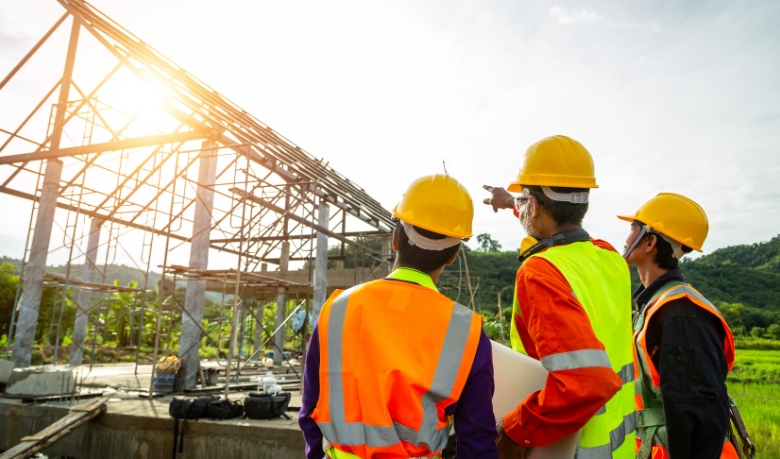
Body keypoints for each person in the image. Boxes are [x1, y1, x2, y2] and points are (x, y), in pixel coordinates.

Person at [299, 174, 499, 459]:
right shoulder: (467, 332)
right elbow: (477, 443)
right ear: (454, 254)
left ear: (395, 239)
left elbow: (310, 412)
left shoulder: (336, 310)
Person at [483, 135, 635, 459]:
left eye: (524, 201)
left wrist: (515, 431)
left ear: (535, 206)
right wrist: (513, 203)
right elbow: (553, 225)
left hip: (565, 449)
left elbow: (587, 383)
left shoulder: (541, 272)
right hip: (618, 449)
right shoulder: (612, 259)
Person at [619, 193, 739, 459]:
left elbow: (699, 413)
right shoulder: (656, 305)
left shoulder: (680, 313)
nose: (626, 239)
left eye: (633, 229)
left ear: (650, 241)